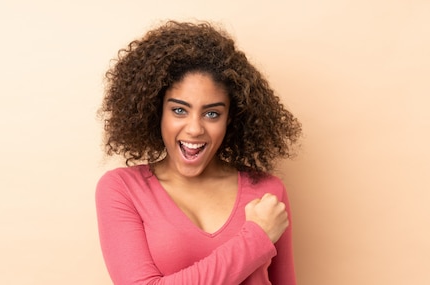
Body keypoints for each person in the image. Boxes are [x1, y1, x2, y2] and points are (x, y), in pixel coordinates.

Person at [96, 20, 302, 285]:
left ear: (230, 118)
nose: (194, 129)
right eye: (179, 110)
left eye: (212, 113)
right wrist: (256, 237)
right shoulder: (123, 189)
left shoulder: (268, 192)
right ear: (157, 111)